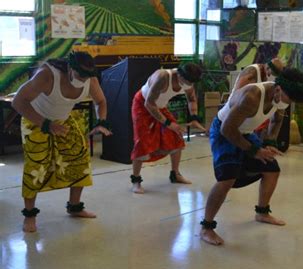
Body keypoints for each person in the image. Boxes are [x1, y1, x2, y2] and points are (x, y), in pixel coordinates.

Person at [200, 68, 303, 245]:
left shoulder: (281, 97)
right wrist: (255, 151)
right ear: (278, 89)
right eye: (288, 99)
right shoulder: (252, 97)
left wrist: (270, 143)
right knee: (227, 178)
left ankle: (262, 212)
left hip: (245, 132)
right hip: (224, 131)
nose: (287, 104)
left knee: (272, 169)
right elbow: (227, 130)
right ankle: (206, 227)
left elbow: (277, 119)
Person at [12, 51, 112, 232]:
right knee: (36, 166)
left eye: (87, 77)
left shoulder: (90, 79)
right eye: (80, 76)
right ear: (70, 68)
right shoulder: (48, 75)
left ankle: (75, 207)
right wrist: (45, 124)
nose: (83, 80)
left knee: (79, 159)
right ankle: (30, 215)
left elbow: (101, 101)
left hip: (63, 120)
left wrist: (101, 122)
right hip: (36, 120)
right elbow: (18, 102)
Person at [130, 63, 205, 194]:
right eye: (187, 81)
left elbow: (192, 99)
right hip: (142, 104)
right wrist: (168, 123)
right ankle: (136, 180)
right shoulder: (163, 77)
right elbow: (149, 103)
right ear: (180, 75)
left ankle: (175, 174)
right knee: (142, 142)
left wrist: (194, 117)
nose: (189, 84)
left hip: (160, 107)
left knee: (176, 137)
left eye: (191, 82)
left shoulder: (189, 81)